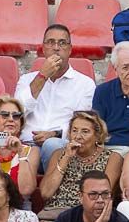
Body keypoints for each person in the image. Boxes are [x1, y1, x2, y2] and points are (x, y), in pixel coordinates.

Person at [14, 25, 96, 170]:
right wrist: (42, 76)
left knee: (51, 145)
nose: (56, 47)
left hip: (59, 144)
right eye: (51, 42)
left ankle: (52, 191)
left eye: (62, 43)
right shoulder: (26, 80)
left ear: (70, 49)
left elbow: (82, 123)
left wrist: (55, 134)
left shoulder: (85, 84)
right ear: (43, 49)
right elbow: (17, 114)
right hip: (26, 144)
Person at [38, 111, 122, 222]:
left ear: (97, 136)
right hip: (55, 216)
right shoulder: (59, 154)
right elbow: (46, 193)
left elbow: (104, 195)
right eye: (74, 130)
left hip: (89, 215)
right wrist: (66, 158)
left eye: (85, 131)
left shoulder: (112, 158)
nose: (78, 136)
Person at [0, 97, 39, 200]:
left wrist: (21, 153)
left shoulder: (30, 151)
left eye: (16, 116)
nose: (11, 119)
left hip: (17, 210)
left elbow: (26, 190)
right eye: (5, 115)